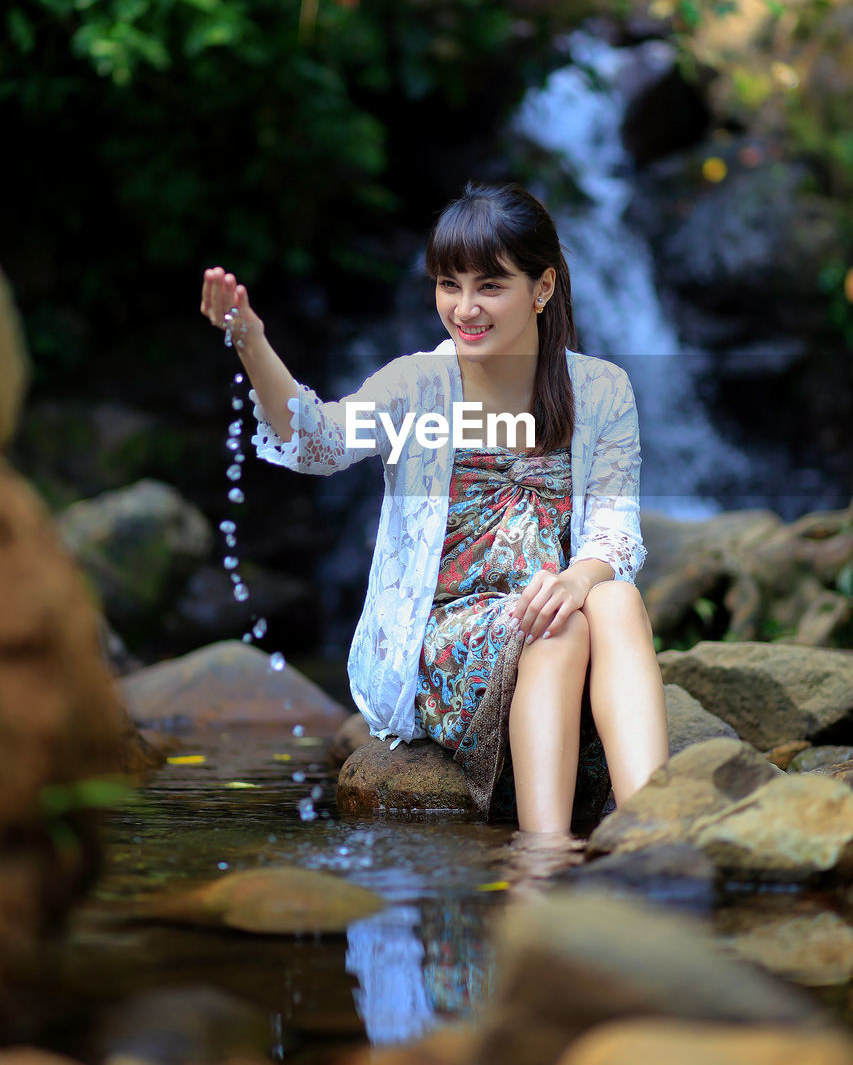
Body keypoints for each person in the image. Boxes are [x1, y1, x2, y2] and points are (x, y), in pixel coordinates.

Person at [200, 182, 669, 836]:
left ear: (541, 288)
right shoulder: (417, 384)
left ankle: (658, 830)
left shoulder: (598, 390)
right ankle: (543, 854)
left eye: (489, 286)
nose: (464, 308)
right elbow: (317, 442)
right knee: (560, 628)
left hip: (549, 609)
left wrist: (576, 579)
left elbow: (613, 532)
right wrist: (248, 339)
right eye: (449, 285)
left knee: (611, 598)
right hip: (438, 638)